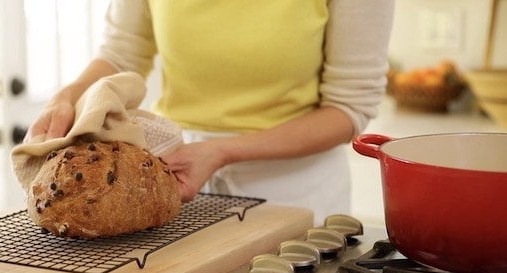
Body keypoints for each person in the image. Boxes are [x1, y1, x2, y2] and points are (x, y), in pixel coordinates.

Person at [25, 1, 395, 225]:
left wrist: (221, 151)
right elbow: (122, 52)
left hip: (296, 193)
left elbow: (348, 106)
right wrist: (68, 95)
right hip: (180, 176)